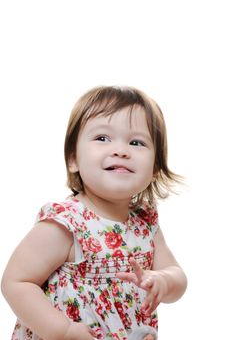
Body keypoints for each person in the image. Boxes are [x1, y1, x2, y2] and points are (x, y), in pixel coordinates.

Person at [1, 86, 187, 340]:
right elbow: (16, 282)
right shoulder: (66, 223)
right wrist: (62, 331)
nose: (121, 150)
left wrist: (164, 281)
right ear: (73, 159)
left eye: (136, 142)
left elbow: (177, 277)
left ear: (155, 167)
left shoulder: (145, 224)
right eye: (102, 138)